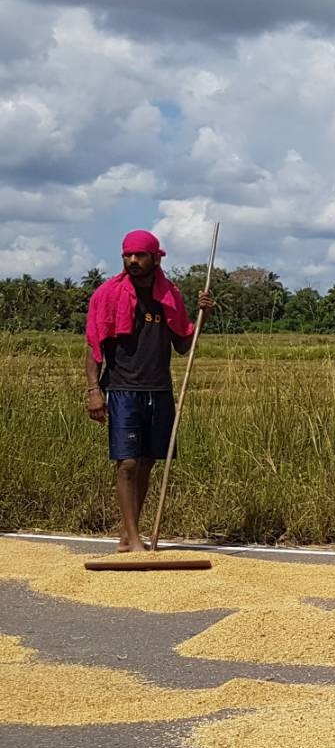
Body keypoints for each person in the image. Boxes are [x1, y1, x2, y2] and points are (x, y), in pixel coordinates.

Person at [83, 230, 216, 552]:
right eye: (127, 255)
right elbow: (93, 346)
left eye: (140, 255)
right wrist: (93, 391)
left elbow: (183, 345)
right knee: (127, 462)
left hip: (159, 390)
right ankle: (134, 538)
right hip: (123, 389)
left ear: (156, 258)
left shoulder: (168, 296)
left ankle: (129, 535)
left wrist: (202, 317)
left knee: (146, 462)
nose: (133, 261)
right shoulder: (107, 295)